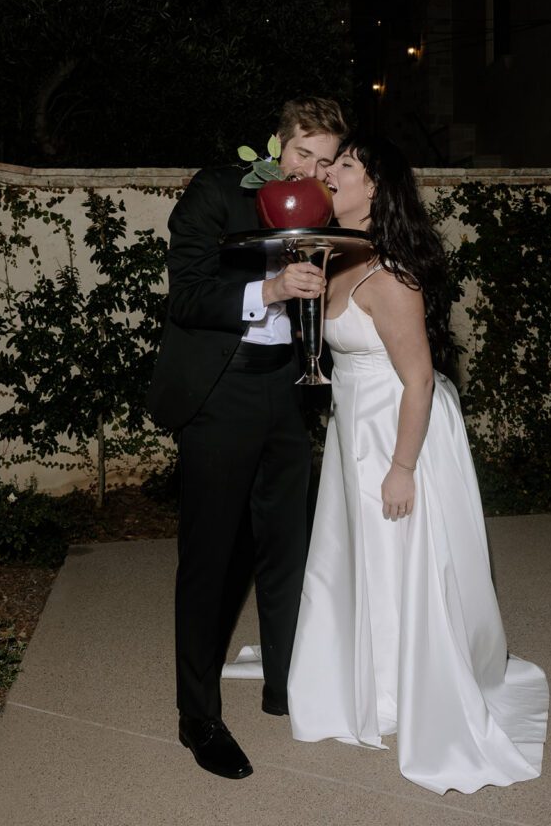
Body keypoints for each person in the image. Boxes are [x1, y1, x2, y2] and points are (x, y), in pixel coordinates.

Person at [287, 137, 549, 795]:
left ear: (375, 188)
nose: (329, 174)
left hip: (394, 432)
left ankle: (405, 693)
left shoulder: (389, 276)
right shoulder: (334, 255)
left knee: (399, 559)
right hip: (353, 429)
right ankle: (359, 679)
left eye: (344, 166)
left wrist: (401, 467)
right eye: (330, 164)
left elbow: (419, 381)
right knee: (353, 559)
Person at [146, 97, 348, 780]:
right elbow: (186, 295)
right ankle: (196, 717)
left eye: (325, 162)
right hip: (220, 389)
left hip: (287, 388)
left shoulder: (323, 204)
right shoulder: (216, 191)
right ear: (275, 145)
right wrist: (267, 288)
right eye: (301, 156)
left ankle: (284, 686)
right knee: (210, 559)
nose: (312, 171)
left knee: (286, 546)